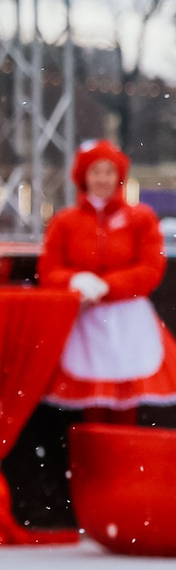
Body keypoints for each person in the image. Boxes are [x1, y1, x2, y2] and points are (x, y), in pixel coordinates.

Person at [38, 139, 176, 424]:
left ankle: (123, 448)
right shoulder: (65, 222)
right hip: (83, 319)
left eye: (109, 172)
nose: (102, 179)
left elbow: (151, 267)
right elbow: (49, 269)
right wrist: (75, 281)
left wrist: (110, 285)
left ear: (119, 176)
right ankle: (92, 449)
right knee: (90, 397)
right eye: (96, 171)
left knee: (127, 394)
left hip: (129, 319)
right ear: (83, 176)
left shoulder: (141, 218)